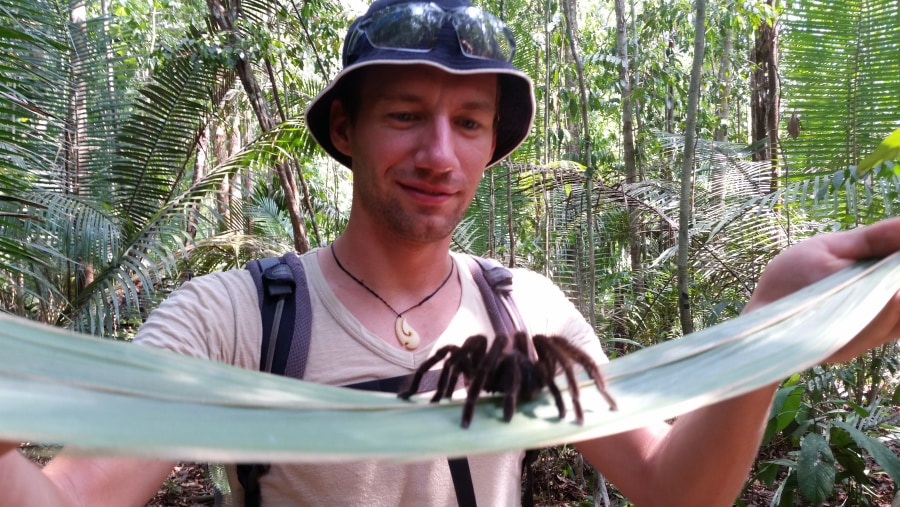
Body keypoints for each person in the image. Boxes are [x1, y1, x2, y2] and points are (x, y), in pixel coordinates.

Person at [2, 0, 900, 504]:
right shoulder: (233, 316)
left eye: (469, 123)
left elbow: (675, 488)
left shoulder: (529, 314)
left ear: (489, 147)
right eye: (405, 115)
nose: (440, 152)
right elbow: (70, 497)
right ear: (345, 130)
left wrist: (769, 332)